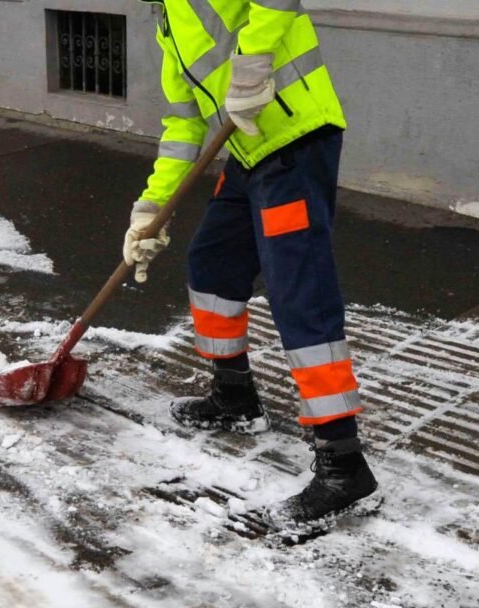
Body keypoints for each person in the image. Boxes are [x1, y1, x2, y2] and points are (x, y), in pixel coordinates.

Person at [123, 0, 377, 527]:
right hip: (247, 153)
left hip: (293, 142)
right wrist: (150, 211)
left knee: (297, 291)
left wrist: (255, 60)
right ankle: (235, 397)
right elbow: (183, 124)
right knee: (212, 265)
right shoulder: (169, 23)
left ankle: (343, 462)